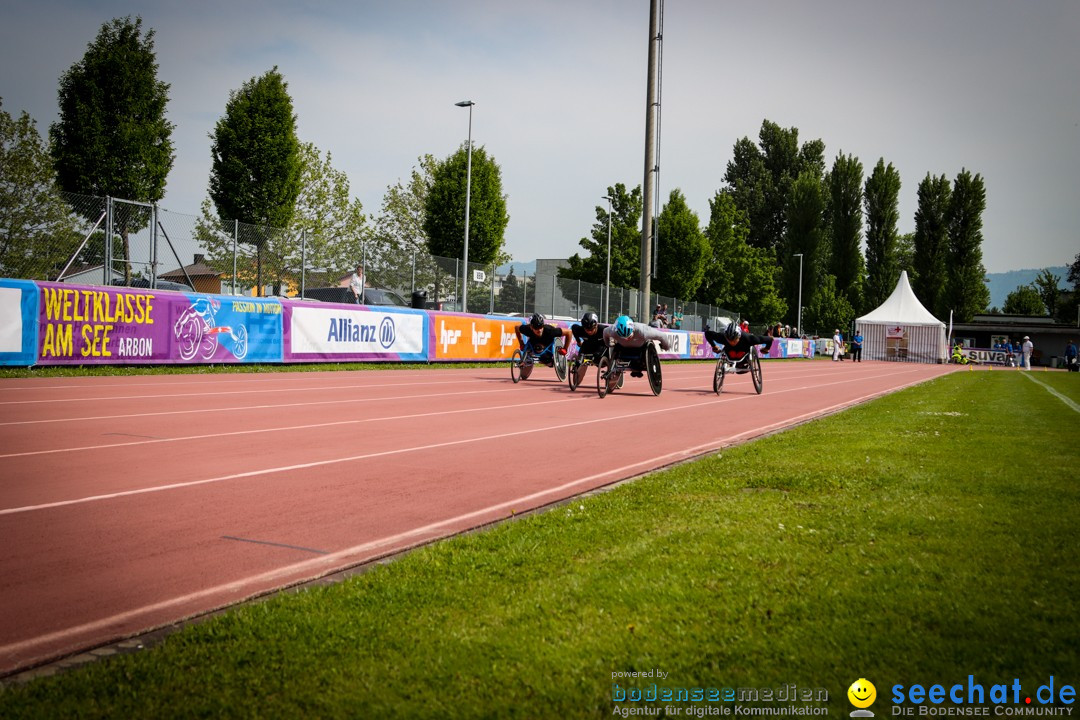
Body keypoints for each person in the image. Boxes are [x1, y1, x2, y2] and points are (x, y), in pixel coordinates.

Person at [602, 315, 673, 377]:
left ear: (633, 329)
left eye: (629, 336)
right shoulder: (612, 331)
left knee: (647, 344)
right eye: (624, 337)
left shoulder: (643, 331)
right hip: (623, 349)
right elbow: (605, 332)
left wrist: (666, 346)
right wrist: (607, 344)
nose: (627, 339)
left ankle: (637, 366)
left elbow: (662, 336)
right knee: (616, 347)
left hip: (641, 349)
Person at [705, 320, 776, 362]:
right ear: (726, 336)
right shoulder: (722, 337)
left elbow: (770, 339)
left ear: (739, 336)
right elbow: (707, 334)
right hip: (729, 355)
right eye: (729, 339)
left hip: (744, 357)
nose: (732, 342)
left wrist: (766, 349)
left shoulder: (748, 338)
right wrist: (713, 346)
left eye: (734, 339)